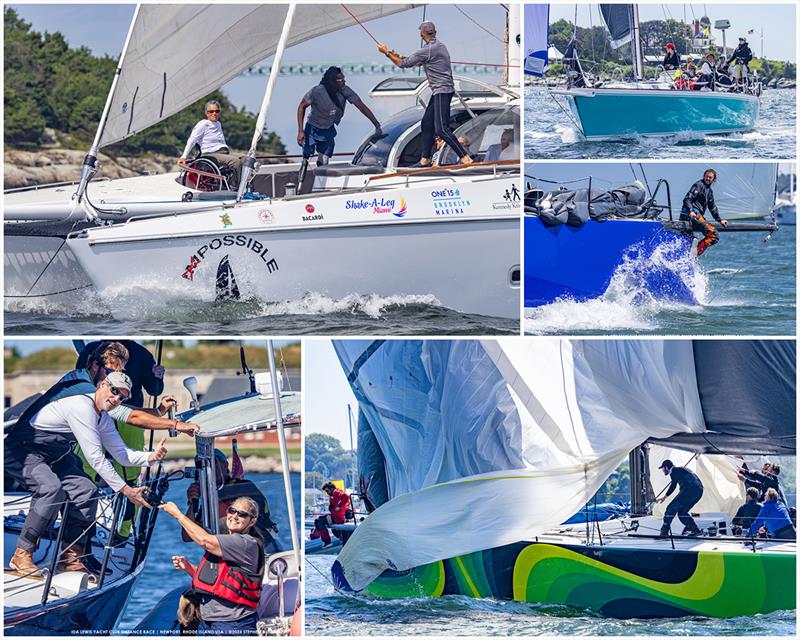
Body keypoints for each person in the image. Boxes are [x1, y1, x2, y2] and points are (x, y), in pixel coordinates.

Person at [6, 372, 166, 577]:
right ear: (101, 385)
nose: (116, 399)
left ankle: (70, 555)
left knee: (87, 491)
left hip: (55, 455)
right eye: (114, 391)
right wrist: (127, 490)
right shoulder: (81, 406)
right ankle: (22, 554)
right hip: (22, 450)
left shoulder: (103, 418)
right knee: (50, 489)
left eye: (122, 397)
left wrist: (151, 457)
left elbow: (122, 454)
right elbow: (96, 458)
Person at [161, 496, 265, 634]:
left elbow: (204, 541)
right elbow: (220, 580)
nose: (234, 516)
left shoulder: (245, 543)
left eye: (242, 514)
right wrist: (188, 567)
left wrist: (177, 514)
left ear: (252, 521)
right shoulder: (226, 542)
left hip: (233, 624)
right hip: (211, 622)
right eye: (232, 510)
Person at [378, 21, 472, 167]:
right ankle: (425, 159)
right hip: (441, 91)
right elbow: (416, 62)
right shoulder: (440, 46)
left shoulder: (427, 50)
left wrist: (387, 53)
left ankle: (465, 157)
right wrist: (398, 56)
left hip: (442, 91)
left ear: (421, 34)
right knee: (426, 123)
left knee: (442, 130)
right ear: (435, 32)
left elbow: (403, 64)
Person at [184, 449, 279, 553]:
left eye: (212, 463)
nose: (208, 470)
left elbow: (257, 520)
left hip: (258, 551)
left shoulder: (243, 487)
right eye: (201, 466)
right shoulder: (210, 498)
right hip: (229, 553)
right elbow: (187, 536)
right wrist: (192, 502)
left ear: (225, 465)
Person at [297, 66, 381, 184]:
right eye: (341, 80)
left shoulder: (345, 90)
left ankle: (320, 186)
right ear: (332, 81)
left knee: (324, 160)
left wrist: (376, 123)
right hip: (312, 128)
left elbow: (361, 106)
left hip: (328, 129)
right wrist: (300, 131)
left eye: (344, 79)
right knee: (306, 156)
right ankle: (300, 185)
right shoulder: (317, 91)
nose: (344, 82)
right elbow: (301, 106)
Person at [178, 100, 242, 189]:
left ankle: (246, 187)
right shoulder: (203, 124)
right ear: (206, 113)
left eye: (217, 111)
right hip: (210, 154)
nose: (214, 113)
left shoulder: (218, 123)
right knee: (236, 162)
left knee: (247, 159)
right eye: (211, 111)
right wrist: (184, 156)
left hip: (223, 153)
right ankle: (235, 189)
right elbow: (192, 140)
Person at [681, 168, 728, 256]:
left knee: (689, 240)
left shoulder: (709, 191)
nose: (708, 178)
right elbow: (687, 198)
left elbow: (712, 207)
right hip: (691, 214)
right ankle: (694, 254)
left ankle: (688, 256)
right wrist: (691, 211)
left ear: (713, 180)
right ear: (704, 176)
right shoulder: (698, 185)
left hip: (696, 216)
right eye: (707, 176)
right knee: (714, 234)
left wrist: (719, 220)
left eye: (710, 177)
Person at [656, 459, 703, 537]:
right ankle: (695, 530)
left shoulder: (674, 471)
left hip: (689, 491)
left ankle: (664, 531)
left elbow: (673, 485)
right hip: (699, 491)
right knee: (682, 513)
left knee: (671, 508)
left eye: (663, 469)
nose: (662, 471)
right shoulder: (680, 470)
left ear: (667, 467)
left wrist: (664, 497)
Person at [310, 482, 351, 547]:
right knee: (319, 521)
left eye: (327, 491)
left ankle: (327, 541)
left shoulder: (337, 492)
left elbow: (346, 496)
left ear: (332, 488)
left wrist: (339, 506)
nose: (327, 492)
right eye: (326, 491)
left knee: (319, 521)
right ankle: (328, 541)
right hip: (335, 517)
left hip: (338, 518)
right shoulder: (333, 495)